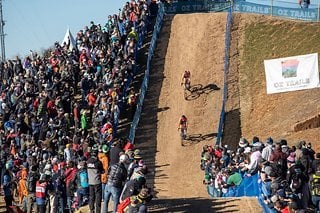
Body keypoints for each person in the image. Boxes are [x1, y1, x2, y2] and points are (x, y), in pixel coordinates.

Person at [87, 147, 104, 213]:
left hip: (90, 182)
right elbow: (102, 171)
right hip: (97, 182)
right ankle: (98, 211)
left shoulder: (88, 161)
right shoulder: (98, 162)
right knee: (98, 197)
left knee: (91, 197)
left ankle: (91, 210)